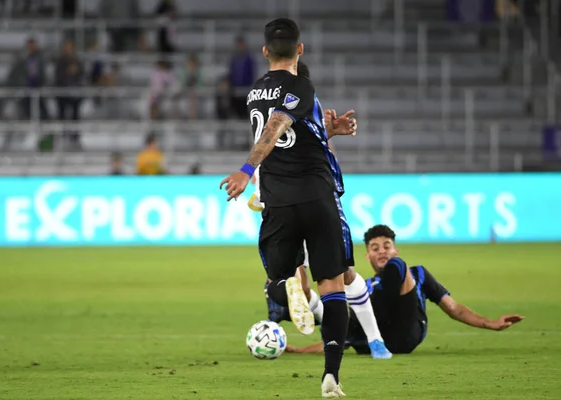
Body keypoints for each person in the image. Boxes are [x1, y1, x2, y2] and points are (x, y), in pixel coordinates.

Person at [220, 19, 355, 398]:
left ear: (265, 52)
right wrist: (246, 168)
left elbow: (287, 134)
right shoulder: (302, 85)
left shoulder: (252, 95)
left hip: (279, 201)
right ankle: (331, 377)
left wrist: (329, 130)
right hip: (317, 195)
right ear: (301, 49)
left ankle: (290, 288)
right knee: (333, 287)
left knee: (276, 280)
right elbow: (279, 125)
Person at [248, 61, 391, 361]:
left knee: (291, 278)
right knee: (342, 275)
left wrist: (328, 131)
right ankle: (367, 338)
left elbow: (284, 146)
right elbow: (315, 158)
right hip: (315, 202)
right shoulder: (301, 105)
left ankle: (326, 316)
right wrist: (328, 133)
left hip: (280, 203)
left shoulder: (267, 106)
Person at [286, 224, 525, 356]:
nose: (382, 251)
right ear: (367, 255)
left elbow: (453, 308)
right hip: (373, 341)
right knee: (351, 312)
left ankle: (316, 291)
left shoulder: (417, 273)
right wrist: (297, 350)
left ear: (395, 250)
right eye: (375, 248)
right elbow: (342, 338)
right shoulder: (366, 288)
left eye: (387, 246)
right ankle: (309, 285)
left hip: (406, 333)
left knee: (396, 272)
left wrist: (490, 323)